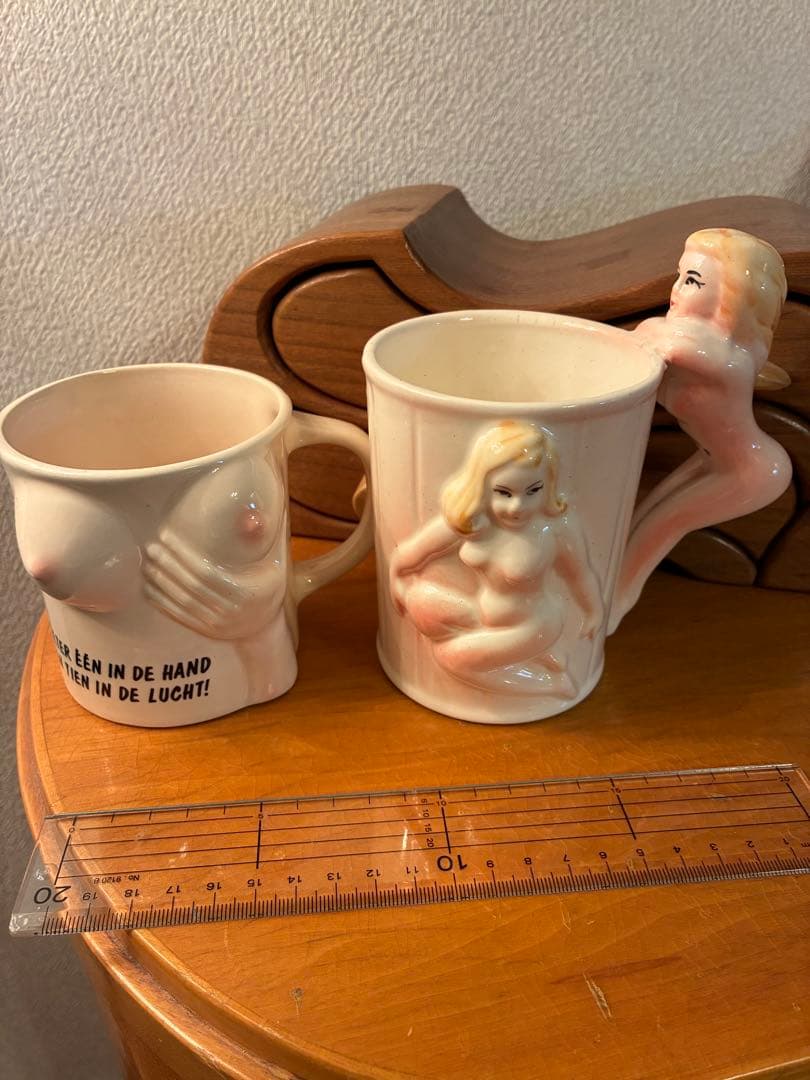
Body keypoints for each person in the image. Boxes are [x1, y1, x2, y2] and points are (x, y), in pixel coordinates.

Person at [610, 228, 792, 631]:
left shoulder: (725, 357)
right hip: (717, 462)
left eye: (692, 281)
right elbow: (647, 337)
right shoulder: (696, 343)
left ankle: (606, 615)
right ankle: (606, 606)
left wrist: (646, 333)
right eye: (679, 275)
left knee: (657, 529)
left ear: (731, 297)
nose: (676, 289)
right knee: (641, 524)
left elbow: (666, 346)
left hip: (752, 471)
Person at [390, 420, 603, 698]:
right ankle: (540, 655)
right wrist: (396, 574)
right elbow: (417, 551)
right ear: (482, 486)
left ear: (548, 485)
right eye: (504, 493)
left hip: (535, 624)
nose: (517, 507)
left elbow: (579, 574)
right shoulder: (472, 522)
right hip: (482, 616)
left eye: (533, 491)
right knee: (420, 599)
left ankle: (553, 685)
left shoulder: (555, 529)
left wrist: (594, 610)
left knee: (450, 658)